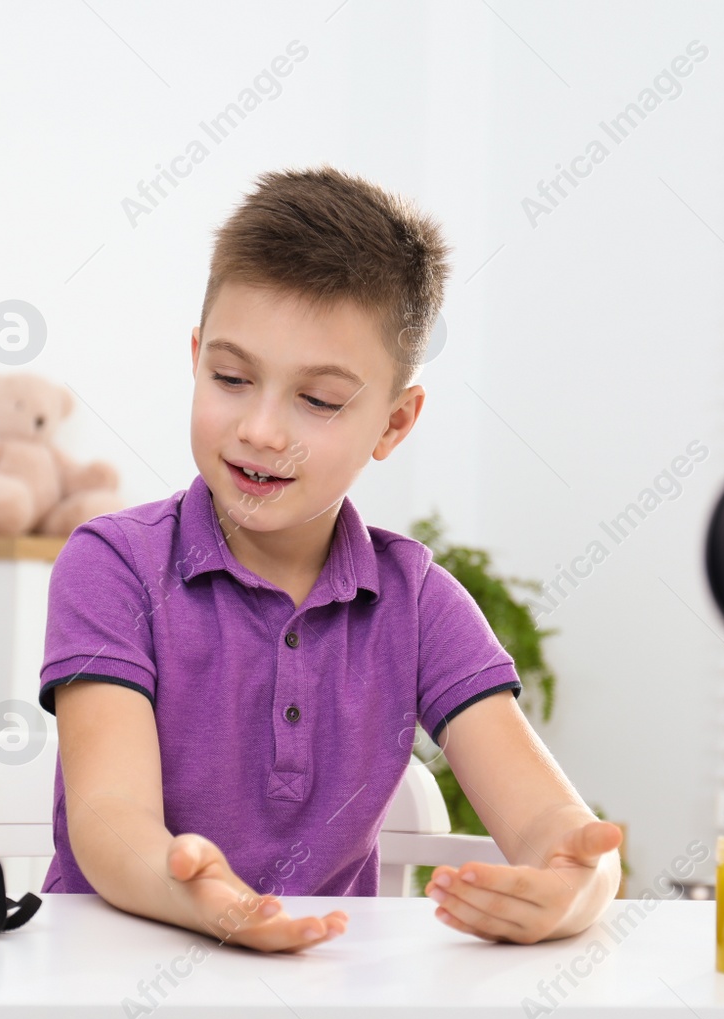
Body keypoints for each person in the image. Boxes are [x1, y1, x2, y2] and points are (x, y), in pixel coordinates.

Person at [37, 165, 622, 953]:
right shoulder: (113, 565)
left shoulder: (417, 603)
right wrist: (193, 885)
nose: (263, 430)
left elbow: (559, 827)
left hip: (314, 996)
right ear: (196, 356)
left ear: (394, 422)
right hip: (106, 986)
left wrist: (575, 883)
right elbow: (110, 820)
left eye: (318, 400)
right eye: (232, 378)